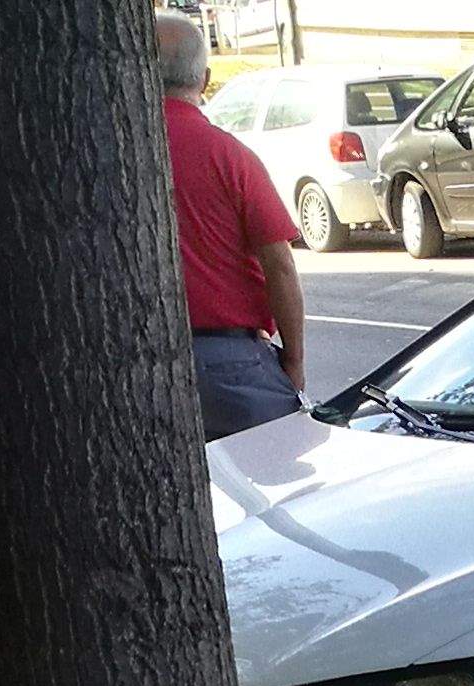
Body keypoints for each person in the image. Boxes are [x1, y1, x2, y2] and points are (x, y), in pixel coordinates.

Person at [157, 11, 302, 442]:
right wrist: (293, 362)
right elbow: (280, 267)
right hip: (230, 364)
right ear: (203, 79)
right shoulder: (229, 156)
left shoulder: (112, 149)